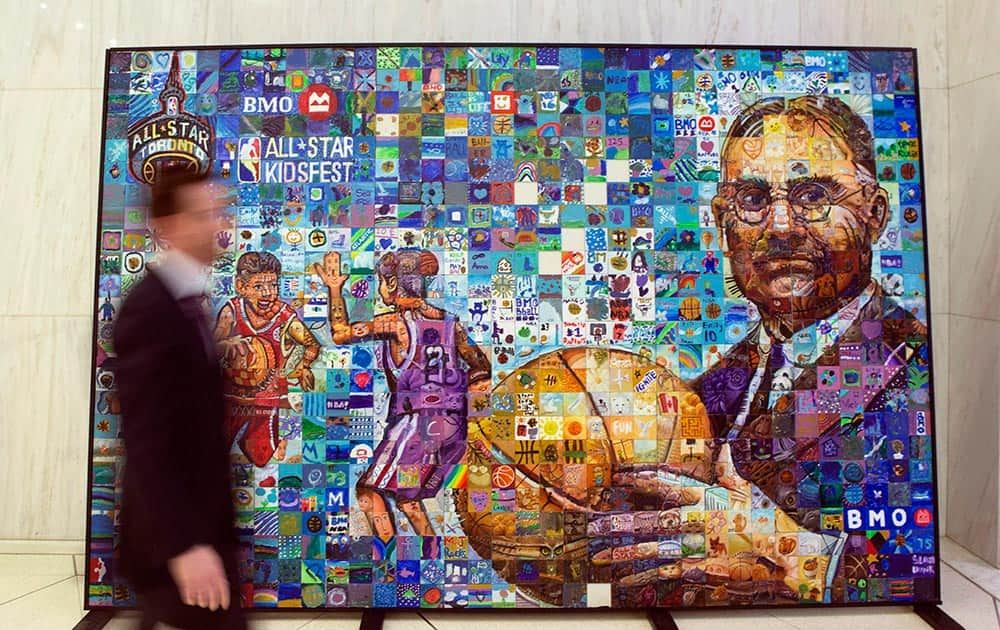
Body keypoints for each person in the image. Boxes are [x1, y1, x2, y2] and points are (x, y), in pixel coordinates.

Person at [689, 95, 928, 545]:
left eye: (812, 195)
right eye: (753, 198)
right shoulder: (700, 397)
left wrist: (813, 568)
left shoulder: (915, 366)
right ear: (724, 224)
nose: (780, 226)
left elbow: (909, 543)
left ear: (874, 215)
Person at [113, 166, 246, 629]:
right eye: (202, 214)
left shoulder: (190, 300)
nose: (217, 224)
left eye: (218, 212)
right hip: (175, 543)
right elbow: (147, 440)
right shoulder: (149, 312)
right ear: (168, 227)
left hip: (201, 532)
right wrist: (184, 545)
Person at [313, 249, 491, 538]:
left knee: (368, 491)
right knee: (408, 498)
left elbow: (340, 333)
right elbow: (481, 366)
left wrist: (335, 290)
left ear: (393, 284)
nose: (380, 288)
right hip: (453, 427)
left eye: (382, 282)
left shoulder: (395, 323)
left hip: (416, 426)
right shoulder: (450, 322)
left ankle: (388, 558)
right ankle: (432, 555)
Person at [214, 251, 321, 467]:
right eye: (258, 287)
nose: (268, 294)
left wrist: (304, 367)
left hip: (267, 398)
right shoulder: (231, 311)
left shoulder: (283, 315)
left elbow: (312, 343)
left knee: (260, 457)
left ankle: (264, 443)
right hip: (233, 397)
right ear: (241, 286)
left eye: (273, 285)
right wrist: (226, 344)